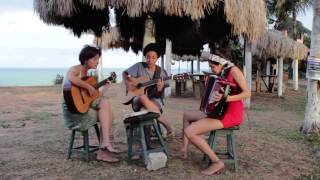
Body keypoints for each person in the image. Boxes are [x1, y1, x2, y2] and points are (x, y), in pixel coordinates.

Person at [180, 51, 250, 175]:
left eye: (213, 66)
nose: (211, 69)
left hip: (230, 115)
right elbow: (220, 91)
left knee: (190, 131)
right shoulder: (223, 72)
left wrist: (226, 98)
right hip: (219, 112)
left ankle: (216, 162)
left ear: (221, 63)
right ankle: (184, 149)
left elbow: (247, 93)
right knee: (187, 115)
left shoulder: (234, 71)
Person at [62, 45, 119, 162]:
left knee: (106, 107)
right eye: (94, 59)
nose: (97, 62)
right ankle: (104, 149)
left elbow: (96, 97)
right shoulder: (76, 69)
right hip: (73, 113)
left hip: (83, 109)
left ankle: (104, 147)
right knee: (107, 113)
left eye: (98, 59)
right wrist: (88, 86)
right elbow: (71, 78)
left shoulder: (88, 77)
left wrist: (107, 85)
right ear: (85, 59)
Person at [122, 43, 175, 138]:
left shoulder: (162, 72)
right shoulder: (139, 66)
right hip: (137, 99)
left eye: (153, 57)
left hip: (155, 100)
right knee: (142, 96)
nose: (150, 60)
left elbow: (159, 95)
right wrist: (128, 84)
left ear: (157, 58)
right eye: (148, 57)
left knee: (145, 110)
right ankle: (169, 127)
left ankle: (148, 135)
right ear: (145, 57)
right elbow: (124, 73)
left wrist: (159, 88)